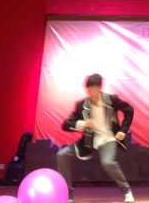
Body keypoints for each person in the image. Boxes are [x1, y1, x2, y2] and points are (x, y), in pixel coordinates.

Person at [57, 73, 135, 203]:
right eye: (88, 90)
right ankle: (68, 194)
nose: (90, 93)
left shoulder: (111, 100)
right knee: (62, 155)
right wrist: (83, 123)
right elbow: (65, 124)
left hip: (108, 139)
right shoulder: (82, 105)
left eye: (93, 89)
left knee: (107, 162)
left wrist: (123, 130)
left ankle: (127, 191)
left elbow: (129, 110)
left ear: (99, 88)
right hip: (89, 142)